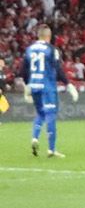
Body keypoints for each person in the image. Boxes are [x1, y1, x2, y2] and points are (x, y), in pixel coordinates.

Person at [17, 26, 79, 157]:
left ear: (38, 35)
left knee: (40, 113)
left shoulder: (29, 49)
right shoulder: (51, 49)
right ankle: (51, 149)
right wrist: (68, 84)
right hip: (47, 86)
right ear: (49, 36)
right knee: (50, 115)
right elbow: (58, 69)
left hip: (34, 85)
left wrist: (27, 87)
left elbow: (23, 71)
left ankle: (35, 137)